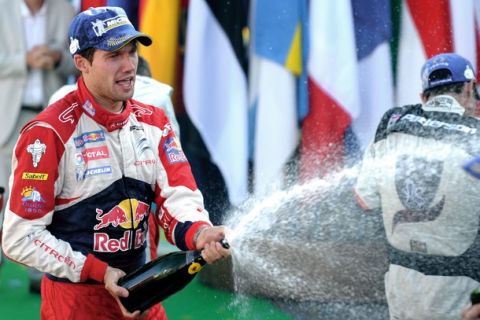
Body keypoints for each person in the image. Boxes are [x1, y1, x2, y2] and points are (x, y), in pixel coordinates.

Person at [1, 6, 230, 320]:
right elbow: (20, 237)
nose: (129, 66)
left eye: (131, 52)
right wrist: (96, 270)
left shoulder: (155, 120)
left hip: (143, 292)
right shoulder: (48, 133)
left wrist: (200, 232)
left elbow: (178, 194)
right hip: (75, 303)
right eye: (113, 56)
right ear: (81, 63)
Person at [354, 53, 480, 319]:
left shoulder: (393, 123)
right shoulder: (477, 137)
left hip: (401, 283)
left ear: (424, 96)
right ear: (470, 88)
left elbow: (365, 199)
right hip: (462, 291)